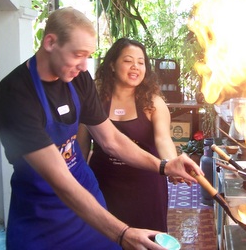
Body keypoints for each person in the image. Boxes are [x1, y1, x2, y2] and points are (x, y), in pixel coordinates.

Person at [0, 7, 202, 250]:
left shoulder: (77, 79)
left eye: (88, 56)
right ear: (50, 42)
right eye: (78, 55)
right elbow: (61, 180)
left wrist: (164, 165)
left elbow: (110, 139)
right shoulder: (16, 96)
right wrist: (122, 233)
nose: (83, 66)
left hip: (87, 199)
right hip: (42, 210)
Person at [77, 38, 180, 232]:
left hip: (147, 187)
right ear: (112, 65)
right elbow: (81, 147)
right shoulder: (94, 102)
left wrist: (171, 163)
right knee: (105, 238)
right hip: (104, 185)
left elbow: (163, 139)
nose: (135, 67)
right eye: (128, 61)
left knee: (148, 240)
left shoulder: (153, 103)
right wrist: (76, 185)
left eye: (141, 62)